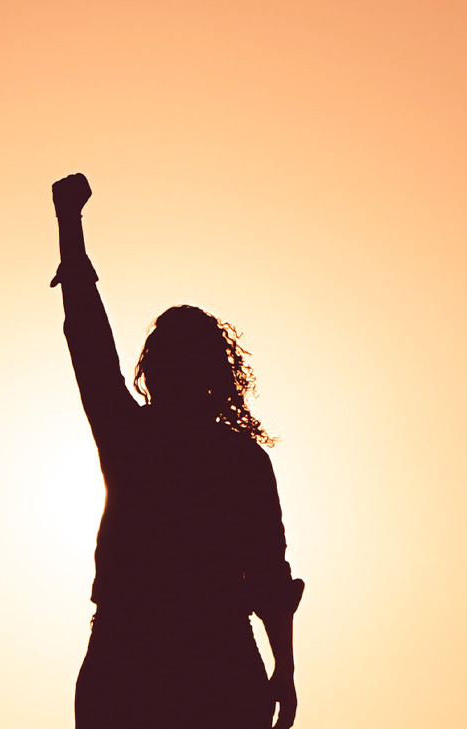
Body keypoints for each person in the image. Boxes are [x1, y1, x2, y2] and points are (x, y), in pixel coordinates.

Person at [50, 173, 304, 729]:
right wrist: (283, 667)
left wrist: (70, 227)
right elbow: (269, 578)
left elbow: (88, 340)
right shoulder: (234, 459)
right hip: (192, 659)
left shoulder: (134, 438)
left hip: (149, 659)